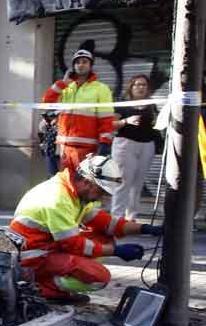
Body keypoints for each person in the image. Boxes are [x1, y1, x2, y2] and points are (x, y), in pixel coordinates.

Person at [10, 155, 162, 303]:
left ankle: (52, 279)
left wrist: (146, 229)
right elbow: (72, 244)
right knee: (99, 278)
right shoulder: (57, 199)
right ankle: (39, 288)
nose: (101, 197)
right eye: (101, 191)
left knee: (104, 237)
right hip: (32, 258)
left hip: (47, 248)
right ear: (88, 182)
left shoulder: (75, 193)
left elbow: (106, 223)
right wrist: (116, 251)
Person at [42, 48, 113, 172]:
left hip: (87, 147)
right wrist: (63, 83)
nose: (81, 65)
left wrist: (105, 143)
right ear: (73, 66)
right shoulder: (66, 86)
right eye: (77, 62)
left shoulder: (101, 89)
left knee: (81, 187)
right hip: (63, 147)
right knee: (64, 186)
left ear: (91, 66)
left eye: (85, 62)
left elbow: (106, 118)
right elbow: (47, 102)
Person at [111, 75, 160, 220]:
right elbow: (111, 124)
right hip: (125, 145)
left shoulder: (151, 104)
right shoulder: (123, 103)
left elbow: (156, 124)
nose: (140, 87)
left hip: (147, 146)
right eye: (137, 85)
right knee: (123, 182)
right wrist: (126, 121)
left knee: (138, 183)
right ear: (131, 87)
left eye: (143, 85)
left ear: (148, 88)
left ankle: (131, 217)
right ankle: (116, 218)